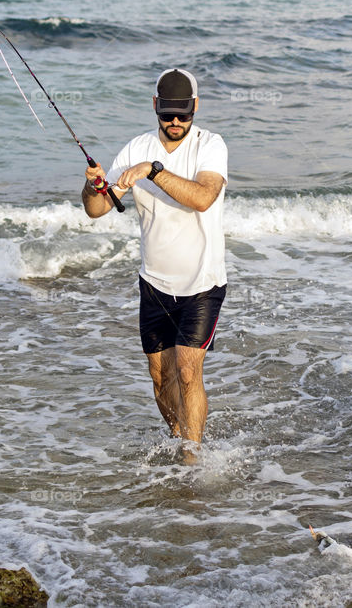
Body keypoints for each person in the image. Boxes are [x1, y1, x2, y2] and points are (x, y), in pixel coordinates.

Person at [81, 68, 228, 464]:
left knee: (186, 371)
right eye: (167, 114)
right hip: (154, 285)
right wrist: (95, 185)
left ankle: (191, 458)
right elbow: (96, 209)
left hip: (202, 282)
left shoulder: (210, 146)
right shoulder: (135, 148)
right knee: (161, 378)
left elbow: (202, 197)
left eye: (183, 113)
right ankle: (180, 435)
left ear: (195, 109)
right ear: (155, 108)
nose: (175, 122)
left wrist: (154, 170)